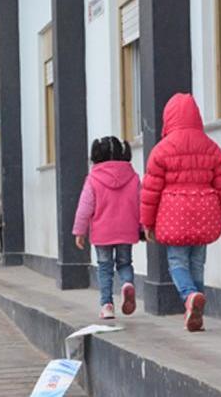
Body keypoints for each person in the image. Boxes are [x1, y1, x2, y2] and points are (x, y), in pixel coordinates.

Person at [141, 93, 221, 332]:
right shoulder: (211, 148)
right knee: (197, 263)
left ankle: (189, 296)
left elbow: (150, 190)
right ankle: (196, 313)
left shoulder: (161, 150)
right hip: (205, 212)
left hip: (174, 214)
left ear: (168, 119)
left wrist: (147, 223)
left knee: (177, 262)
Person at [72, 136, 141, 320]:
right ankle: (127, 284)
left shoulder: (93, 178)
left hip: (103, 232)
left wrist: (80, 231)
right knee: (125, 263)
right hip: (127, 230)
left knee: (105, 268)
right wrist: (144, 227)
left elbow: (85, 206)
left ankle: (107, 305)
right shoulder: (133, 177)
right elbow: (141, 203)